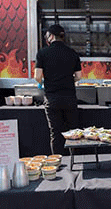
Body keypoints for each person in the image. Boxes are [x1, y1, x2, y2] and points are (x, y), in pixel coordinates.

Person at [34, 24, 82, 155]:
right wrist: (67, 80)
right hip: (70, 97)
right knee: (73, 130)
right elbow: (79, 76)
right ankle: (74, 160)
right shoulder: (72, 53)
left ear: (51, 36)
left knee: (55, 131)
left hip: (52, 98)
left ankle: (58, 162)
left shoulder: (42, 53)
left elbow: (37, 76)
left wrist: (43, 82)